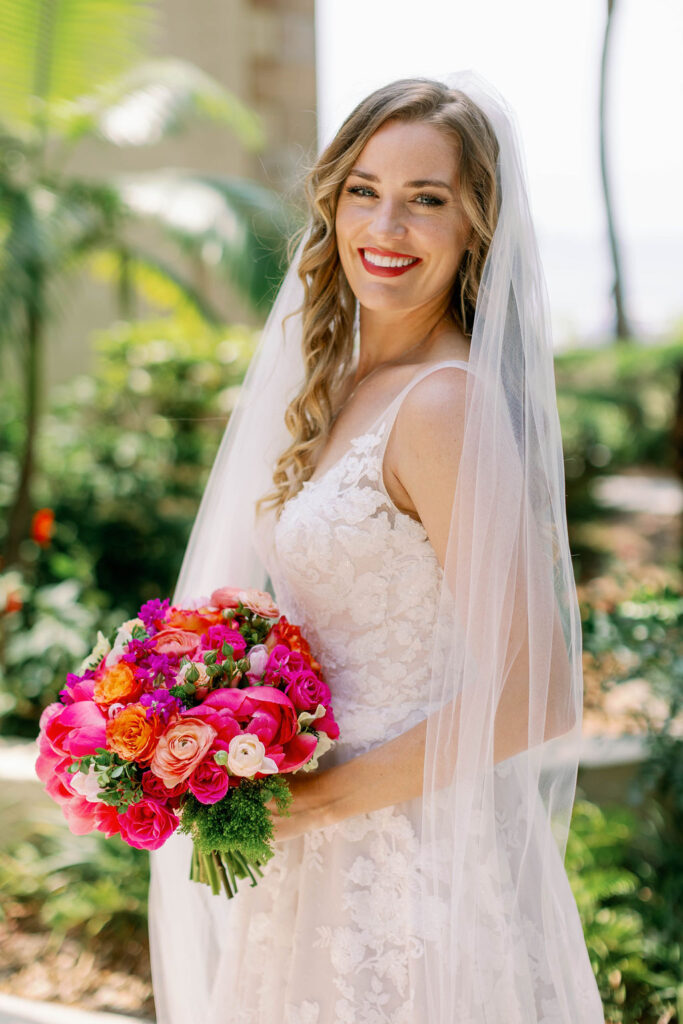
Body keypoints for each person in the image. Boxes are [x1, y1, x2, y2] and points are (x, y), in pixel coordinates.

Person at [148, 71, 605, 1024]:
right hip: (311, 851)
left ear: (474, 224)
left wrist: (318, 803)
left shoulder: (443, 403)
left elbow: (541, 688)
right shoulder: (339, 379)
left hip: (406, 862)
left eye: (424, 201)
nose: (385, 228)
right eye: (365, 191)